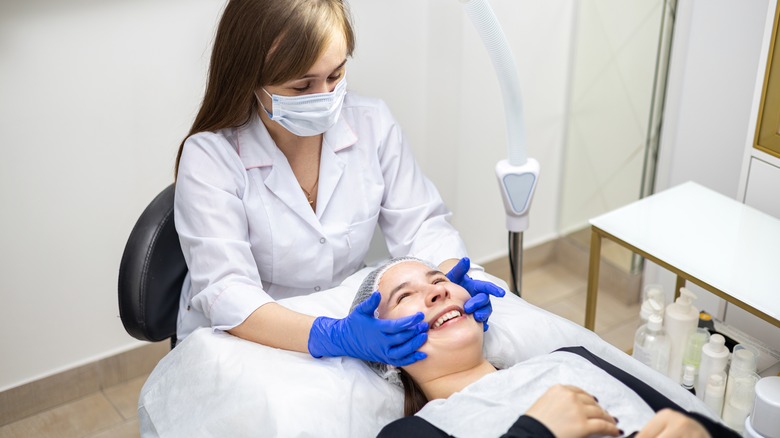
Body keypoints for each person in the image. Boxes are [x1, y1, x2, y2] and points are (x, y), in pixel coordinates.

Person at [173, 0, 505, 368]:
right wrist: (333, 336)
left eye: (335, 76)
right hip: (251, 337)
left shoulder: (371, 123)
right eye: (301, 86)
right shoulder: (210, 157)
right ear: (249, 78)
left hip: (347, 316)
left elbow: (422, 225)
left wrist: (454, 277)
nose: (324, 97)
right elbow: (227, 291)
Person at [350, 257, 740, 438]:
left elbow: (689, 420)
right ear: (383, 356)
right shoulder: (414, 433)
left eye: (437, 280)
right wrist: (537, 430)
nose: (437, 291)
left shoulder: (569, 360)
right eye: (405, 297)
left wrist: (699, 430)